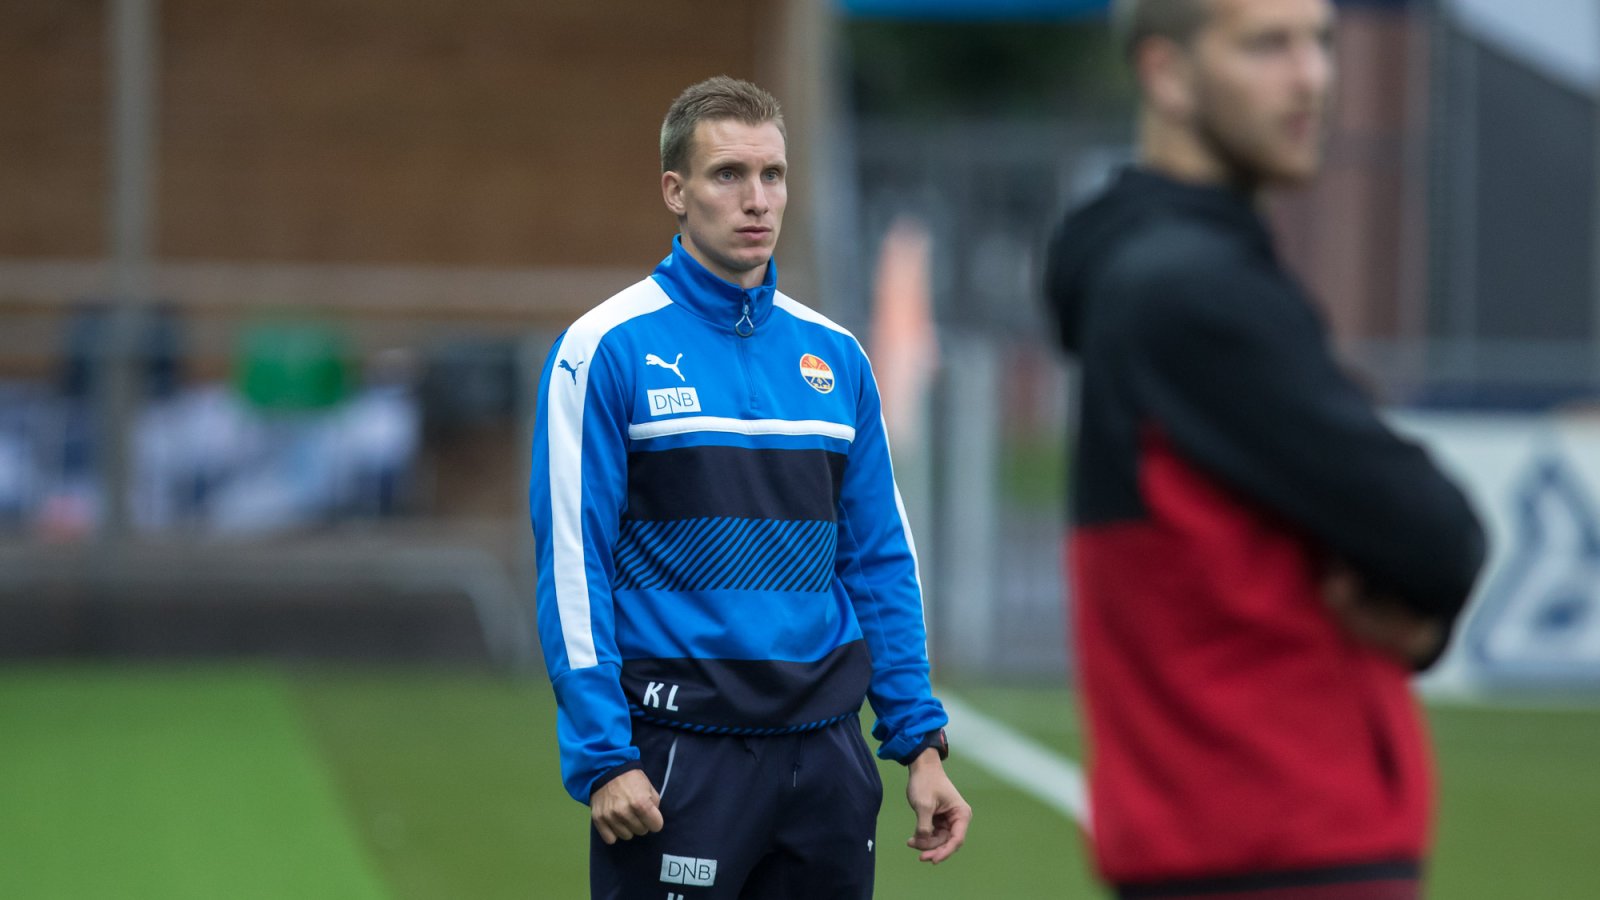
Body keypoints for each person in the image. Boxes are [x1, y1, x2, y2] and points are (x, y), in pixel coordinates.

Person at [1041, 1, 1487, 898]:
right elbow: (1439, 534)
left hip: (1217, 836)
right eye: (1267, 45)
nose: (1312, 77)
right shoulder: (1195, 292)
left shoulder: (1153, 268)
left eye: (1320, 42)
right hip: (1279, 837)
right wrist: (1405, 581)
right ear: (1166, 73)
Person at [530, 76, 970, 899]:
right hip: (677, 758)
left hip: (828, 762)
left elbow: (877, 560)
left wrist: (918, 741)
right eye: (728, 174)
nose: (757, 200)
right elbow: (571, 565)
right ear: (676, 191)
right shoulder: (603, 349)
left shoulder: (838, 357)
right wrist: (604, 756)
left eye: (772, 175)